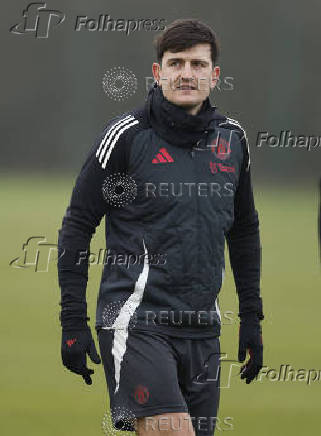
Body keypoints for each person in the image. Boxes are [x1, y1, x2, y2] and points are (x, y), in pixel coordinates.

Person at [58, 18, 264, 436]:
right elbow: (78, 224)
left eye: (197, 64)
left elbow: (243, 231)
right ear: (158, 72)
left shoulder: (233, 141)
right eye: (175, 63)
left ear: (214, 75)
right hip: (136, 323)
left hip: (203, 330)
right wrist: (72, 320)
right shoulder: (127, 138)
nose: (186, 73)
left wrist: (252, 319)